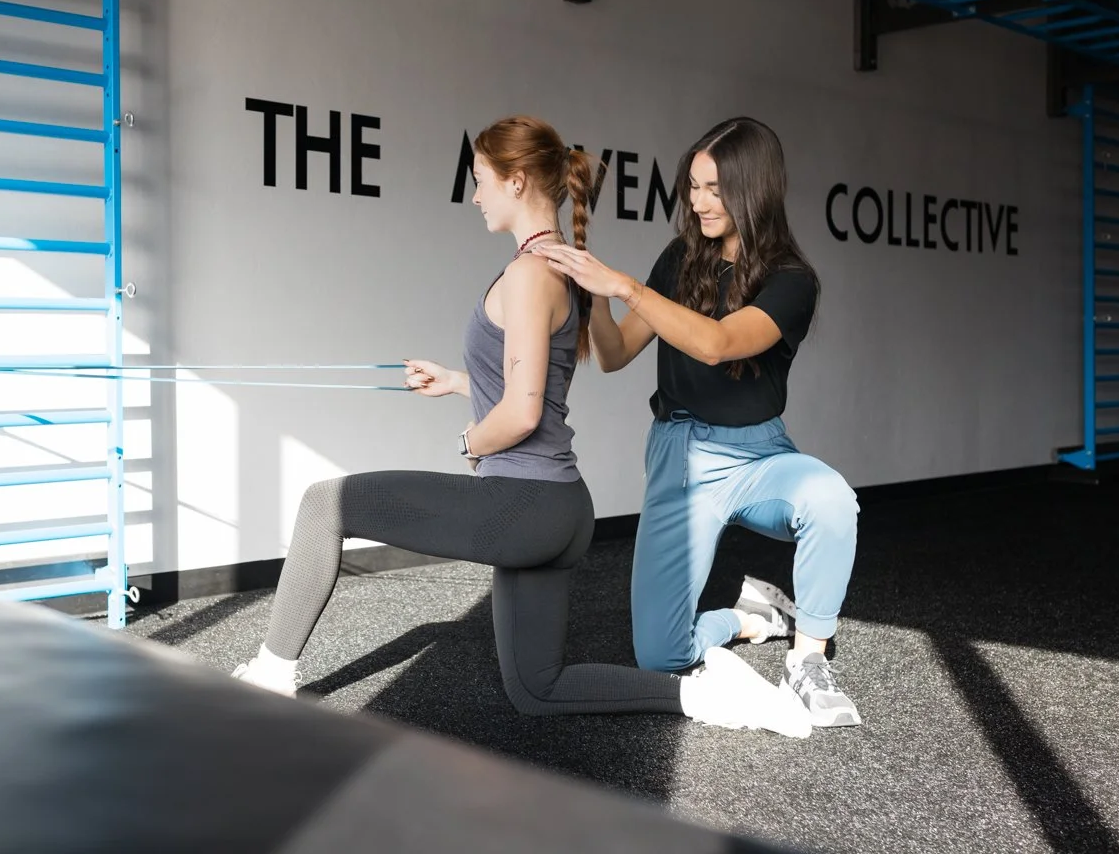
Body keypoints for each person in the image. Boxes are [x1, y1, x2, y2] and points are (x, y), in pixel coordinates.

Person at [231, 114, 810, 737]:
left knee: (326, 505)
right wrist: (459, 382)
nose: (475, 195)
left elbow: (523, 411)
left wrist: (469, 443)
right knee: (539, 689)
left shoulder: (532, 272)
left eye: (480, 180)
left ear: (516, 182)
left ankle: (270, 673)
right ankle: (712, 699)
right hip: (557, 508)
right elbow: (542, 377)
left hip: (524, 501)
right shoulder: (557, 266)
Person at [539, 116, 862, 728]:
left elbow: (717, 344)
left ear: (754, 188)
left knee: (830, 500)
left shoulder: (792, 280)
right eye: (693, 186)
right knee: (659, 655)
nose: (699, 201)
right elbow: (612, 356)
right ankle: (755, 617)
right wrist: (595, 297)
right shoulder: (681, 258)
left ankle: (810, 656)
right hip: (679, 457)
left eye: (715, 188)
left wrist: (626, 286)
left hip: (760, 457)